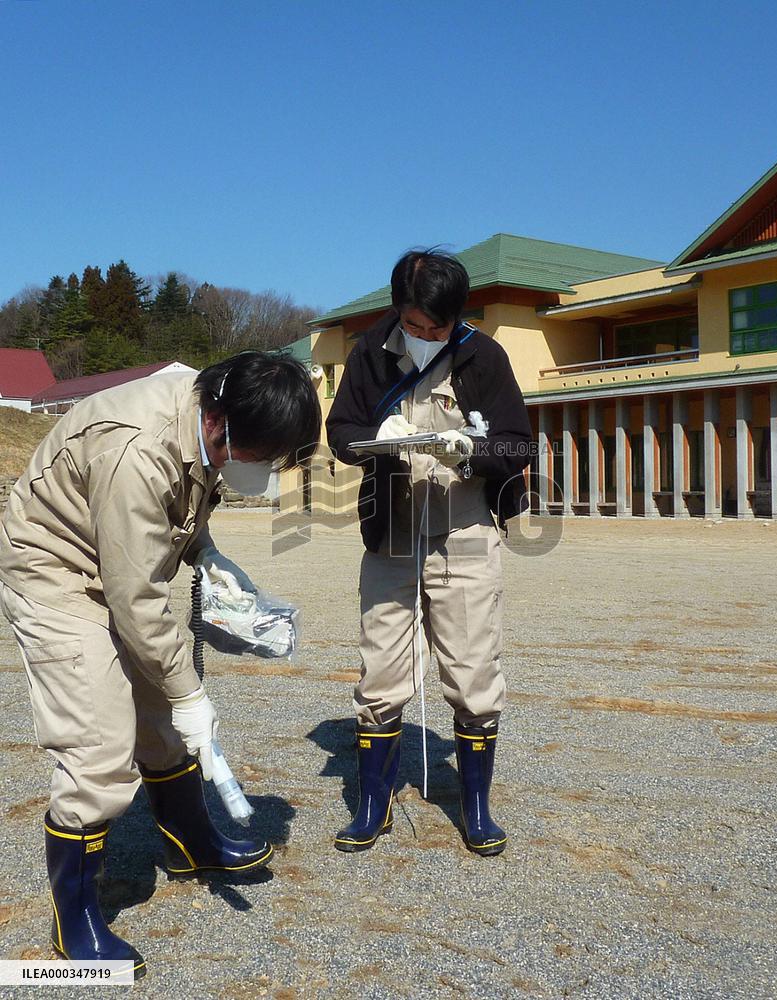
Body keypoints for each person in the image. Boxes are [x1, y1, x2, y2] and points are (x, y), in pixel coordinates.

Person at [0, 351, 320, 976]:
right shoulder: (136, 451)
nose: (263, 471)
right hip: (56, 571)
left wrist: (207, 552)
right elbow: (138, 599)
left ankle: (190, 843)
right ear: (221, 425)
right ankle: (76, 922)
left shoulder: (204, 408)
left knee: (164, 726)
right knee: (98, 744)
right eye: (261, 457)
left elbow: (172, 517)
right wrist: (189, 691)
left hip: (116, 560)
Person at [326, 249, 532, 856]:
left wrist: (466, 450)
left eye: (435, 328)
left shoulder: (483, 356)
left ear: (455, 319)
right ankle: (372, 803)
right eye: (413, 326)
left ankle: (475, 805)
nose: (423, 337)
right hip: (391, 530)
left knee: (472, 670)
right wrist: (373, 441)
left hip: (464, 529)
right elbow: (340, 432)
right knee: (381, 669)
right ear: (399, 312)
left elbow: (518, 444)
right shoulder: (369, 351)